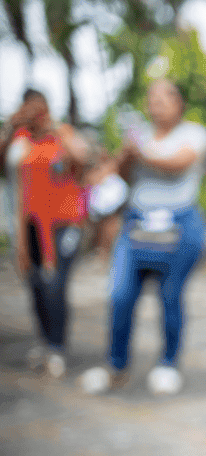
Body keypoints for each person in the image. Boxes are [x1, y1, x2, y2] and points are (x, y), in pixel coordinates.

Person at [80, 79, 206, 396]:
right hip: (136, 224)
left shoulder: (194, 134)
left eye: (164, 97)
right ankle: (116, 365)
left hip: (179, 225)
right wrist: (125, 156)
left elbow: (179, 163)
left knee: (170, 297)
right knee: (120, 295)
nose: (157, 103)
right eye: (151, 98)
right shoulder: (136, 137)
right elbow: (115, 175)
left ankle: (168, 364)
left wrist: (139, 152)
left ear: (179, 103)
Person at [0, 88, 94, 378]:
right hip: (30, 224)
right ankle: (45, 340)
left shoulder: (61, 134)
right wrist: (11, 126)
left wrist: (53, 126)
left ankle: (57, 347)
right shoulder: (20, 142)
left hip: (65, 224)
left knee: (56, 285)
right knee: (36, 285)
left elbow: (85, 156)